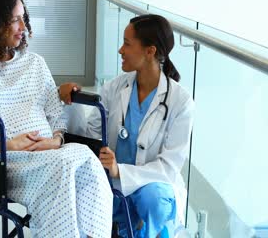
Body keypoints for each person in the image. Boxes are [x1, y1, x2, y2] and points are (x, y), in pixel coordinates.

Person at [0, 0, 112, 237]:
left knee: (87, 159)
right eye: (15, 20)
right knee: (62, 169)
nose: (23, 27)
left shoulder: (35, 64)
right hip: (4, 164)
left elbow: (55, 114)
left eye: (23, 18)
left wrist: (55, 140)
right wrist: (9, 145)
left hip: (49, 153)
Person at [60, 14, 195, 238]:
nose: (120, 50)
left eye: (127, 43)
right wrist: (71, 102)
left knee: (153, 200)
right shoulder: (115, 88)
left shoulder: (180, 102)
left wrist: (119, 170)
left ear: (150, 51)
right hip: (111, 181)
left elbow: (168, 167)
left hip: (152, 186)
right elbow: (92, 136)